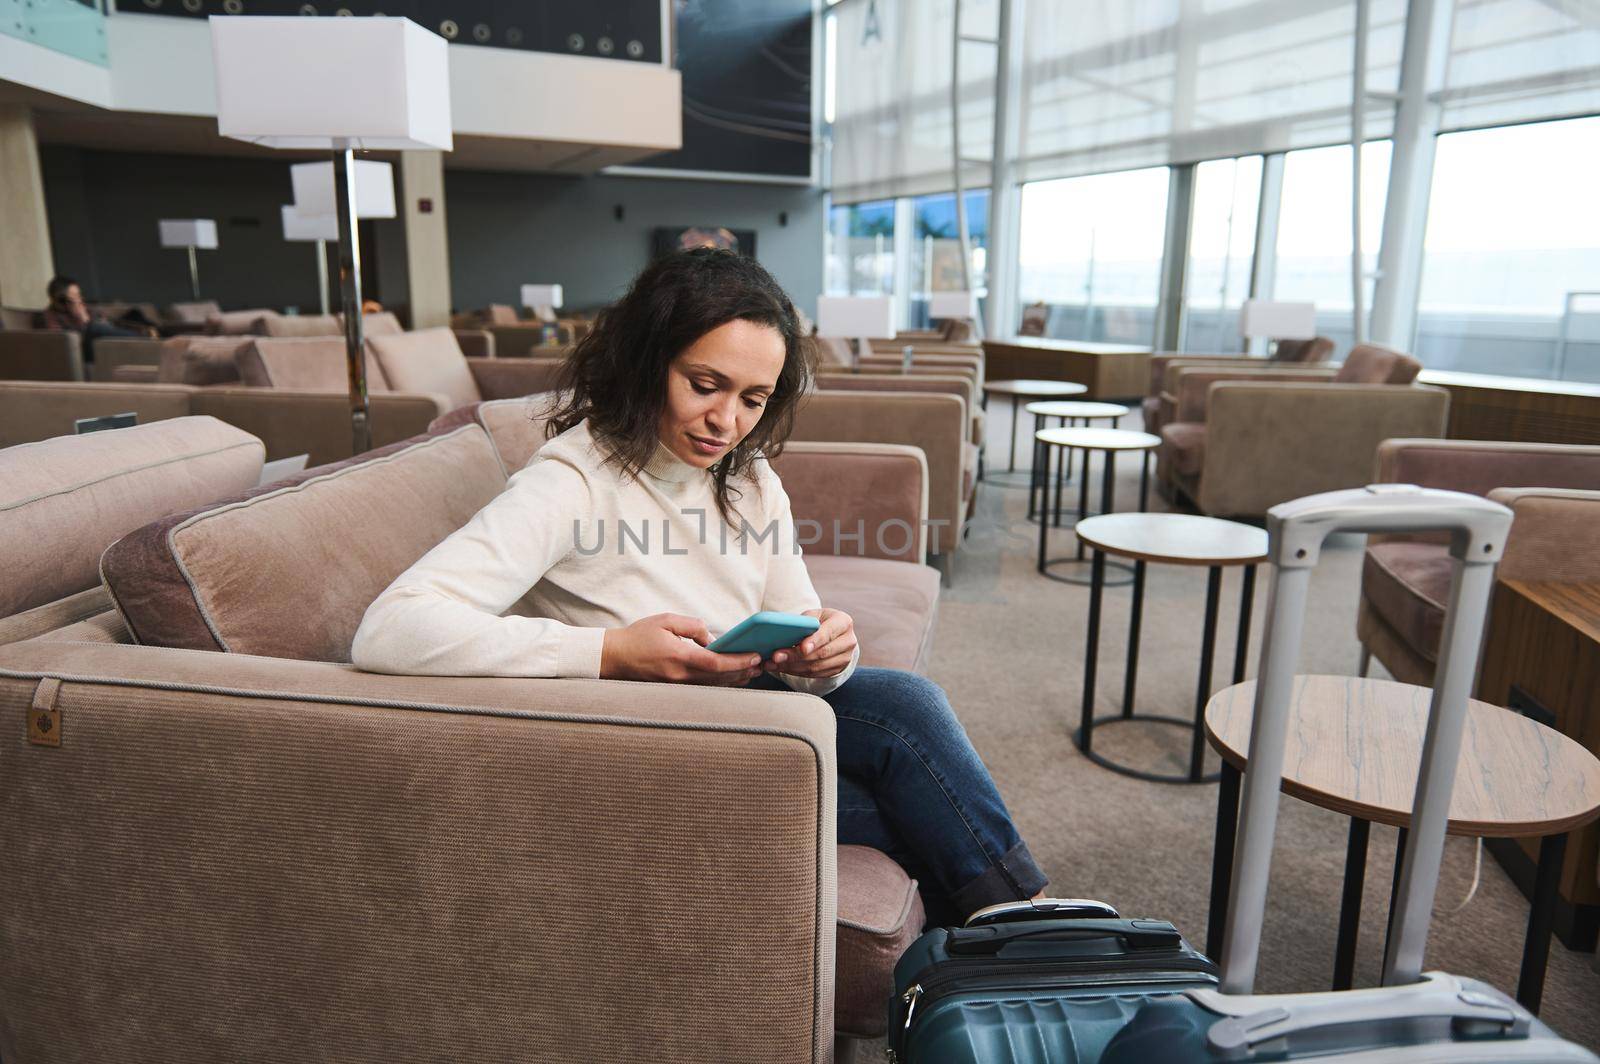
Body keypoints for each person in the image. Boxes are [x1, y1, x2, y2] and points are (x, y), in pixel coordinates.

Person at [351, 248, 1047, 924]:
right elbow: (392, 627)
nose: (727, 422)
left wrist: (827, 652)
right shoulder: (569, 483)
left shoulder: (747, 475)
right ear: (647, 361)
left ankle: (1029, 932)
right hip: (650, 741)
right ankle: (1039, 941)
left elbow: (796, 619)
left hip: (740, 706)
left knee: (907, 702)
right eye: (704, 385)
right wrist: (611, 651)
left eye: (753, 399)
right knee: (920, 811)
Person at [40, 276, 151, 361]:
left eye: (79, 295)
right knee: (94, 327)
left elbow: (104, 323)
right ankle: (145, 341)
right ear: (61, 300)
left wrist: (101, 320)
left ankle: (147, 338)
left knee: (132, 315)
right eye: (75, 296)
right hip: (82, 350)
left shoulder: (82, 307)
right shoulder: (50, 316)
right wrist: (82, 319)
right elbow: (63, 344)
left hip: (102, 342)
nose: (80, 299)